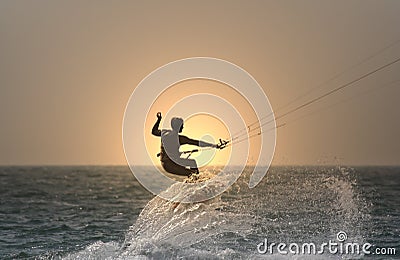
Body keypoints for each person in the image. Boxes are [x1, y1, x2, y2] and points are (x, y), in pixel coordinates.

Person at [152, 112, 219, 176]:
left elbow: (154, 131)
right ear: (179, 126)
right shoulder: (180, 138)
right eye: (182, 126)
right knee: (192, 165)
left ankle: (195, 180)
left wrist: (159, 120)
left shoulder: (164, 133)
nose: (183, 127)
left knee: (191, 166)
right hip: (171, 166)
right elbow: (197, 143)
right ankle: (196, 181)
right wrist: (214, 145)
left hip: (165, 164)